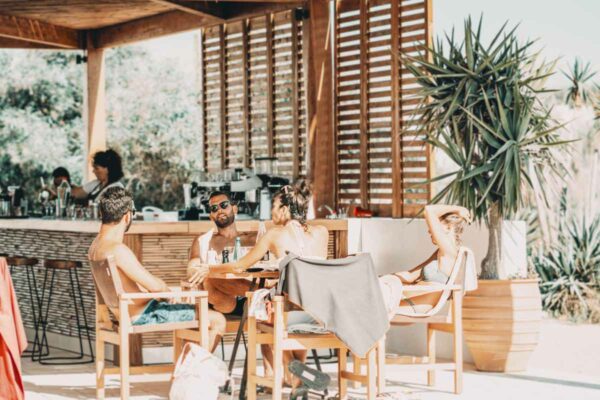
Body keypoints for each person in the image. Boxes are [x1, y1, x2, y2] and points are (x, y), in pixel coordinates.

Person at [204, 180, 328, 387]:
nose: (270, 212)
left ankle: (287, 372)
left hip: (285, 315)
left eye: (273, 206)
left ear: (285, 209)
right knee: (280, 301)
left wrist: (208, 269)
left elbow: (238, 266)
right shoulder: (322, 232)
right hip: (319, 312)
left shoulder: (275, 235)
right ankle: (290, 373)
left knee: (260, 309)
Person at [88, 186, 225, 351]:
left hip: (124, 313)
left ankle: (185, 365)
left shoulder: (95, 247)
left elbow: (133, 287)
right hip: (145, 314)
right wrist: (169, 295)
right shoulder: (117, 250)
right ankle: (193, 372)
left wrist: (166, 295)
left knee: (191, 312)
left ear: (102, 213)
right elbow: (155, 287)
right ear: (127, 216)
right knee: (217, 319)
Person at [379, 204, 471, 317]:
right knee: (364, 296)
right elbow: (410, 276)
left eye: (435, 224)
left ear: (448, 227)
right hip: (404, 297)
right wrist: (380, 278)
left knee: (366, 308)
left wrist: (458, 209)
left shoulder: (450, 252)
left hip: (414, 305)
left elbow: (429, 210)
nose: (429, 230)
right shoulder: (440, 253)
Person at [187, 191, 257, 316]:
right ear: (211, 216)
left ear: (234, 209)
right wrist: (204, 271)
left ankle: (260, 294)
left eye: (224, 205)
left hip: (252, 301)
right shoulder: (203, 240)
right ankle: (262, 293)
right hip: (222, 302)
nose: (219, 210)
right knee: (209, 279)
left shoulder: (252, 239)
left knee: (210, 274)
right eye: (214, 208)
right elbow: (192, 269)